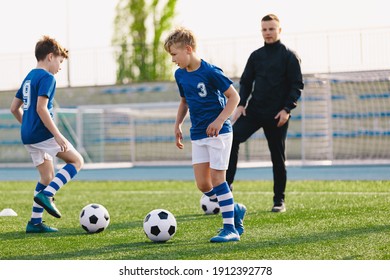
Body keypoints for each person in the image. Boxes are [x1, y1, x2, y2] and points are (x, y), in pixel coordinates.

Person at [164, 27, 247, 242]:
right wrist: (178, 124)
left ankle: (230, 229)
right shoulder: (180, 74)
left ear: (188, 49)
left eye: (174, 54)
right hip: (198, 134)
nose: (172, 59)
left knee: (219, 179)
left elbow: (234, 98)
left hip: (219, 133)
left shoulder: (210, 71)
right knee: (203, 184)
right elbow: (184, 101)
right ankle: (234, 208)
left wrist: (220, 120)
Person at [227, 14, 304, 213]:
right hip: (254, 111)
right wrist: (241, 104)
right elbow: (245, 82)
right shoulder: (256, 56)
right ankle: (226, 189)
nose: (268, 33)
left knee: (277, 157)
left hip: (277, 115)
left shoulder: (289, 56)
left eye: (271, 29)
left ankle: (279, 200)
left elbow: (297, 85)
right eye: (264, 29)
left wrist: (287, 109)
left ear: (279, 30)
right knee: (232, 139)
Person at [10, 36, 84, 233]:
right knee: (76, 161)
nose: (60, 67)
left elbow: (13, 108)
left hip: (28, 135)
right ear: (50, 57)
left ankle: (34, 223)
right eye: (60, 62)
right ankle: (47, 195)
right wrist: (58, 135)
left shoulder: (29, 77)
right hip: (42, 133)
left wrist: (27, 125)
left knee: (47, 176)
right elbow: (42, 108)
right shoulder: (48, 78)